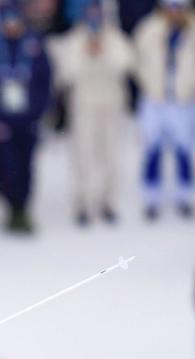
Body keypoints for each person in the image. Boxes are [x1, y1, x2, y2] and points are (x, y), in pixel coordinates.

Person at [53, 0, 134, 225]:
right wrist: (87, 54)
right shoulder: (75, 39)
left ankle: (107, 201)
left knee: (110, 155)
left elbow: (125, 64)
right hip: (84, 106)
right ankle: (83, 203)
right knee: (83, 155)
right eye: (90, 13)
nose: (94, 17)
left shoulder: (114, 37)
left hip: (111, 105)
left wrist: (103, 52)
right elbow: (67, 74)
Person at [0, 3, 52, 234]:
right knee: (7, 166)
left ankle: (22, 208)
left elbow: (45, 80)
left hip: (27, 118)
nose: (12, 27)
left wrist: (39, 111)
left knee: (26, 164)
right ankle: (10, 206)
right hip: (4, 118)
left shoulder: (34, 45)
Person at [133, 0, 195, 221]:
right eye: (171, 8)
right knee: (152, 149)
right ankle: (151, 198)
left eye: (179, 8)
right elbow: (137, 59)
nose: (175, 13)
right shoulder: (149, 29)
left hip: (183, 101)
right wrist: (148, 83)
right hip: (155, 99)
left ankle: (184, 197)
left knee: (184, 150)